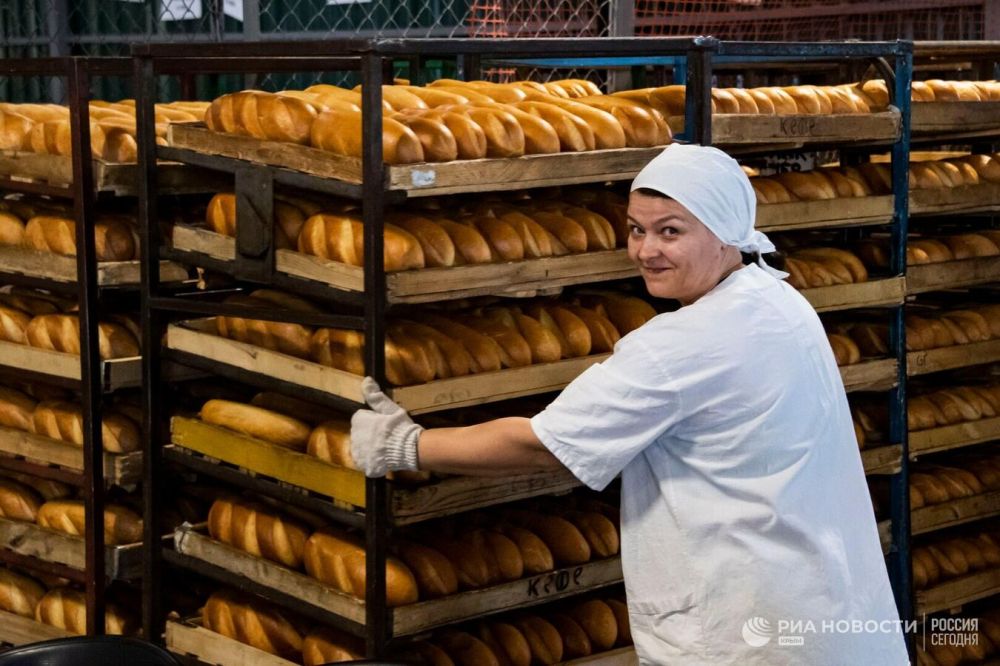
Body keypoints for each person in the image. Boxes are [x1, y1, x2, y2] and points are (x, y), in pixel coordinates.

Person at [351, 143, 909, 665]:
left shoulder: (685, 344)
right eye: (637, 230)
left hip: (748, 629)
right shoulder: (778, 300)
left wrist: (405, 445)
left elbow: (545, 443)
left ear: (725, 232)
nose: (647, 250)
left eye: (671, 232)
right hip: (823, 607)